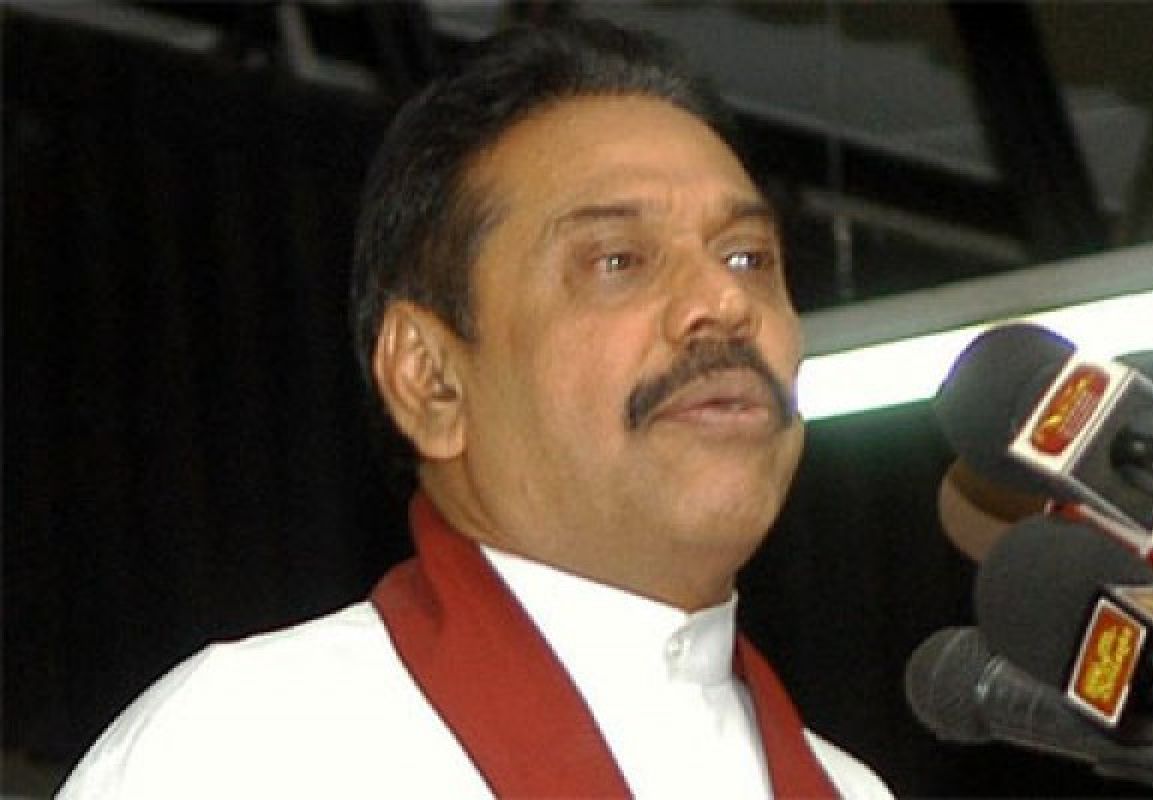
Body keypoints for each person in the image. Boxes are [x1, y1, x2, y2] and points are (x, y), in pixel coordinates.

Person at [57, 17, 892, 799]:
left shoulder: (851, 790)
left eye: (748, 257)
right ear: (431, 380)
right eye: (618, 260)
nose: (725, 301)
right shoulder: (250, 746)